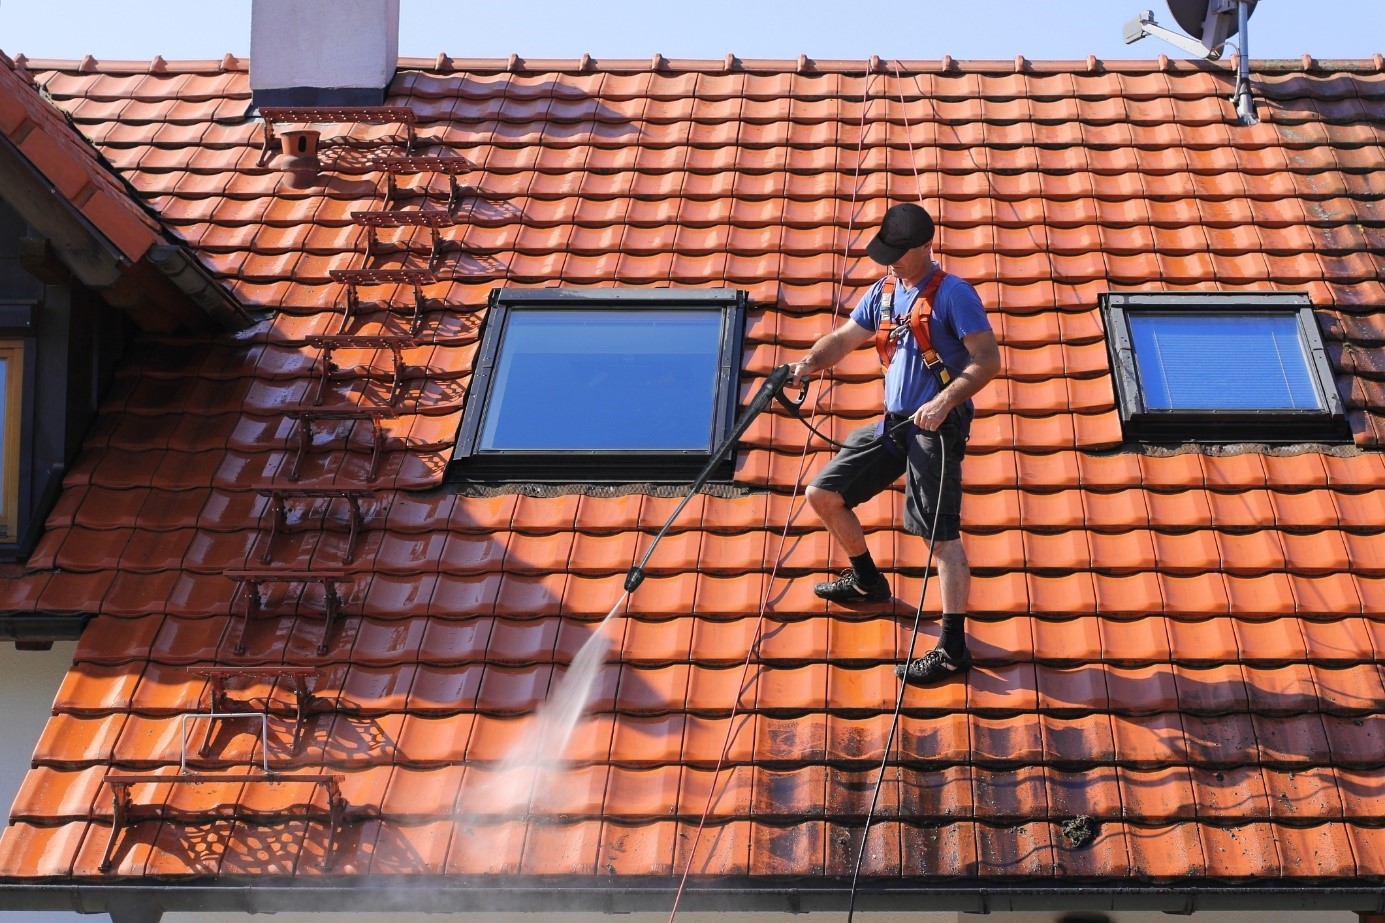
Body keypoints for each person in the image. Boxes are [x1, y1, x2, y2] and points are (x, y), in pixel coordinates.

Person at [788, 202, 1000, 685]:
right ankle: (866, 579)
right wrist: (807, 364)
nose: (892, 261)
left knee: (938, 537)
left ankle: (952, 648)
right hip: (895, 423)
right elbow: (843, 339)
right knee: (823, 493)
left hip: (937, 429)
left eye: (900, 253)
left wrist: (945, 402)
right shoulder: (885, 291)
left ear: (927, 245)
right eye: (888, 253)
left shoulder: (955, 296)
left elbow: (987, 360)